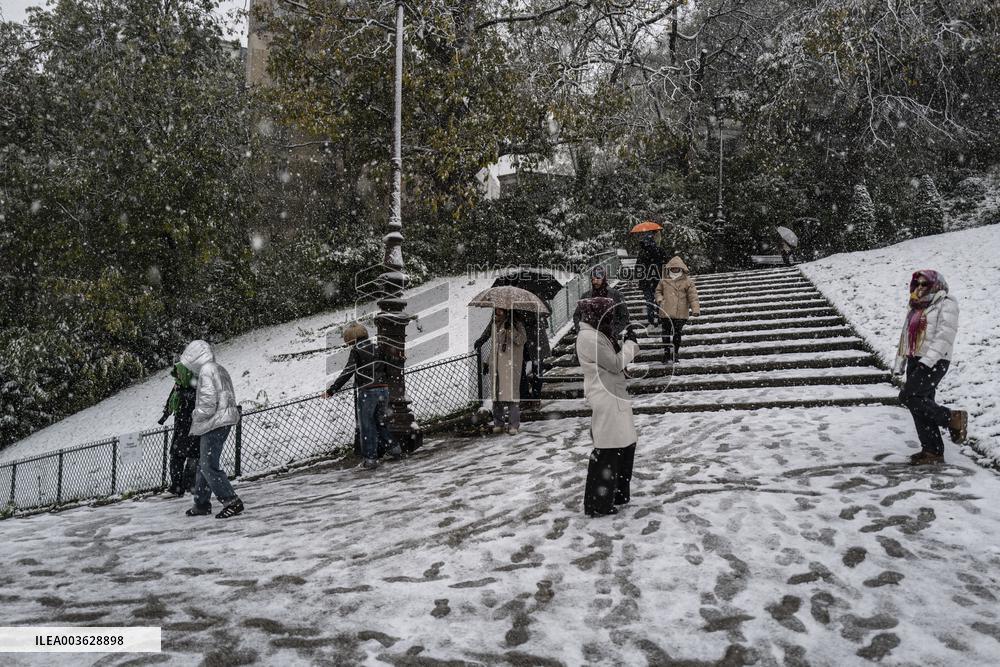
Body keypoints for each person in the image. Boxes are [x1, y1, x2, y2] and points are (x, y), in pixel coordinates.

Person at [891, 270, 968, 465]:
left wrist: (927, 362)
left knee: (908, 397)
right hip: (915, 359)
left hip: (935, 360)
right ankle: (932, 450)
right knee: (921, 403)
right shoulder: (916, 306)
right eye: (917, 284)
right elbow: (904, 337)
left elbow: (945, 336)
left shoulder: (946, 303)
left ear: (936, 284)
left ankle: (952, 418)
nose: (919, 287)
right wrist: (900, 363)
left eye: (924, 284)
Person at [575, 297, 641, 517]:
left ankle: (618, 494)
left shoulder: (596, 334)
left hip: (614, 395)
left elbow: (612, 363)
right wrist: (631, 345)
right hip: (606, 397)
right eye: (607, 314)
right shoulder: (588, 337)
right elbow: (613, 363)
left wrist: (623, 348)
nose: (610, 319)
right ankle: (598, 503)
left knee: (624, 445)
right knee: (609, 450)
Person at [181, 340, 244, 519]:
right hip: (223, 419)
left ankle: (231, 501)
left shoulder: (206, 371)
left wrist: (195, 415)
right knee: (204, 464)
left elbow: (207, 405)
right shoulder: (218, 368)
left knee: (208, 465)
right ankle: (201, 503)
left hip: (214, 422)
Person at [325, 322, 400, 470]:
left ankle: (370, 460)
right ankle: (395, 449)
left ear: (351, 339)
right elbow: (389, 365)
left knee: (367, 426)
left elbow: (348, 371)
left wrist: (332, 389)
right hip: (383, 390)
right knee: (381, 422)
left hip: (368, 391)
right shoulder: (377, 347)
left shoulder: (357, 350)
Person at [474, 308, 527, 434]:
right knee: (496, 396)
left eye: (500, 311)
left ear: (507, 311)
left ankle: (514, 425)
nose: (497, 313)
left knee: (510, 395)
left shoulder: (516, 323)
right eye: (496, 310)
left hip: (510, 365)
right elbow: (494, 346)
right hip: (495, 364)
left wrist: (511, 331)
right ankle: (499, 423)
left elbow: (522, 340)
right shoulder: (494, 324)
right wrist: (487, 362)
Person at [157, 362, 199, 497]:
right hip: (181, 423)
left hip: (193, 423)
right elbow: (171, 399)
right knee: (177, 455)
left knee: (191, 455)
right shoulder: (179, 383)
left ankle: (188, 485)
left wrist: (183, 393)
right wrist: (165, 414)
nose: (178, 375)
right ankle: (178, 486)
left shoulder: (195, 382)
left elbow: (198, 398)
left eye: (180, 372)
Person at [654, 256, 700, 364]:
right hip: (666, 311)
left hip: (681, 312)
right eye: (672, 268)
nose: (674, 270)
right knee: (665, 334)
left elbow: (693, 297)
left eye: (676, 268)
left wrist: (695, 309)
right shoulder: (664, 280)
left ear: (681, 268)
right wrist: (660, 300)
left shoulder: (688, 282)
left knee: (677, 334)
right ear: (669, 268)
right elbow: (658, 292)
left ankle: (675, 354)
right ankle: (666, 353)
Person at [572, 266, 630, 338]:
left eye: (598, 278)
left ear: (604, 278)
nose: (595, 281)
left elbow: (624, 316)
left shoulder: (616, 295)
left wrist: (615, 331)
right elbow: (577, 315)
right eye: (593, 278)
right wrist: (580, 330)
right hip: (590, 337)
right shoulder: (586, 296)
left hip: (609, 337)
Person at [520, 310, 551, 409]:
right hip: (520, 341)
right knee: (519, 371)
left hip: (536, 340)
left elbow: (548, 310)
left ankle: (535, 398)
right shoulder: (511, 301)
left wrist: (533, 316)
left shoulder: (535, 297)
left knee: (537, 370)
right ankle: (525, 398)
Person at [635, 233, 667, 326]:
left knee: (649, 301)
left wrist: (639, 277)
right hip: (658, 280)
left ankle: (651, 320)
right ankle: (661, 318)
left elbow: (638, 267)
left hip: (646, 281)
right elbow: (665, 263)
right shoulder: (659, 250)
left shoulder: (642, 252)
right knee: (659, 300)